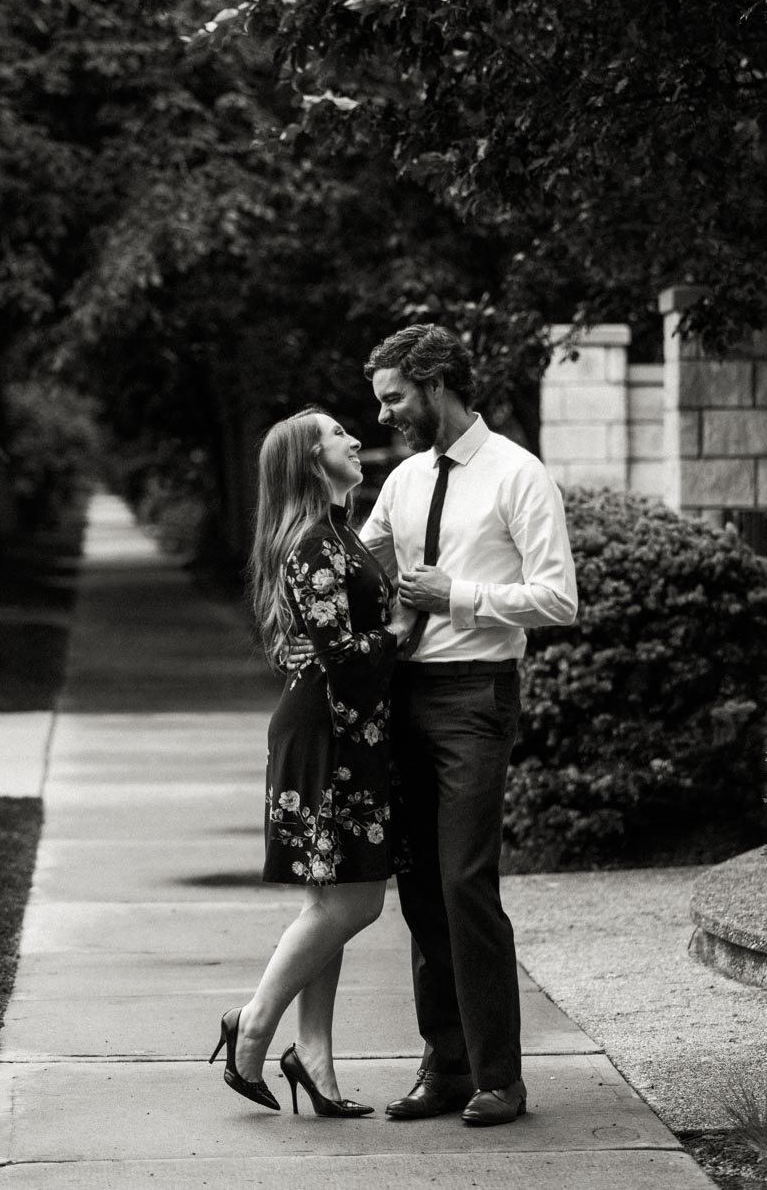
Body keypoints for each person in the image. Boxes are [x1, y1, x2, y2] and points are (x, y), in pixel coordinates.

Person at [288, 323, 577, 1126]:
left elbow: (559, 598)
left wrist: (462, 596)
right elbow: (360, 564)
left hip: (475, 696)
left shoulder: (519, 475)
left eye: (393, 398)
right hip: (400, 699)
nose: (382, 415)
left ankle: (500, 1079)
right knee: (417, 889)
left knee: (463, 883)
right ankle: (444, 1067)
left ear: (436, 383)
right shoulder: (407, 481)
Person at [209, 406, 403, 1117]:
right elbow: (347, 662)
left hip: (342, 733)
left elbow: (333, 646)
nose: (355, 439)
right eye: (338, 434)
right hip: (329, 735)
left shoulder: (340, 534)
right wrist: (401, 631)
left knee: (332, 898)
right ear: (310, 461)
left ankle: (313, 1057)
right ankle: (254, 1023)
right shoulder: (315, 545)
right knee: (358, 899)